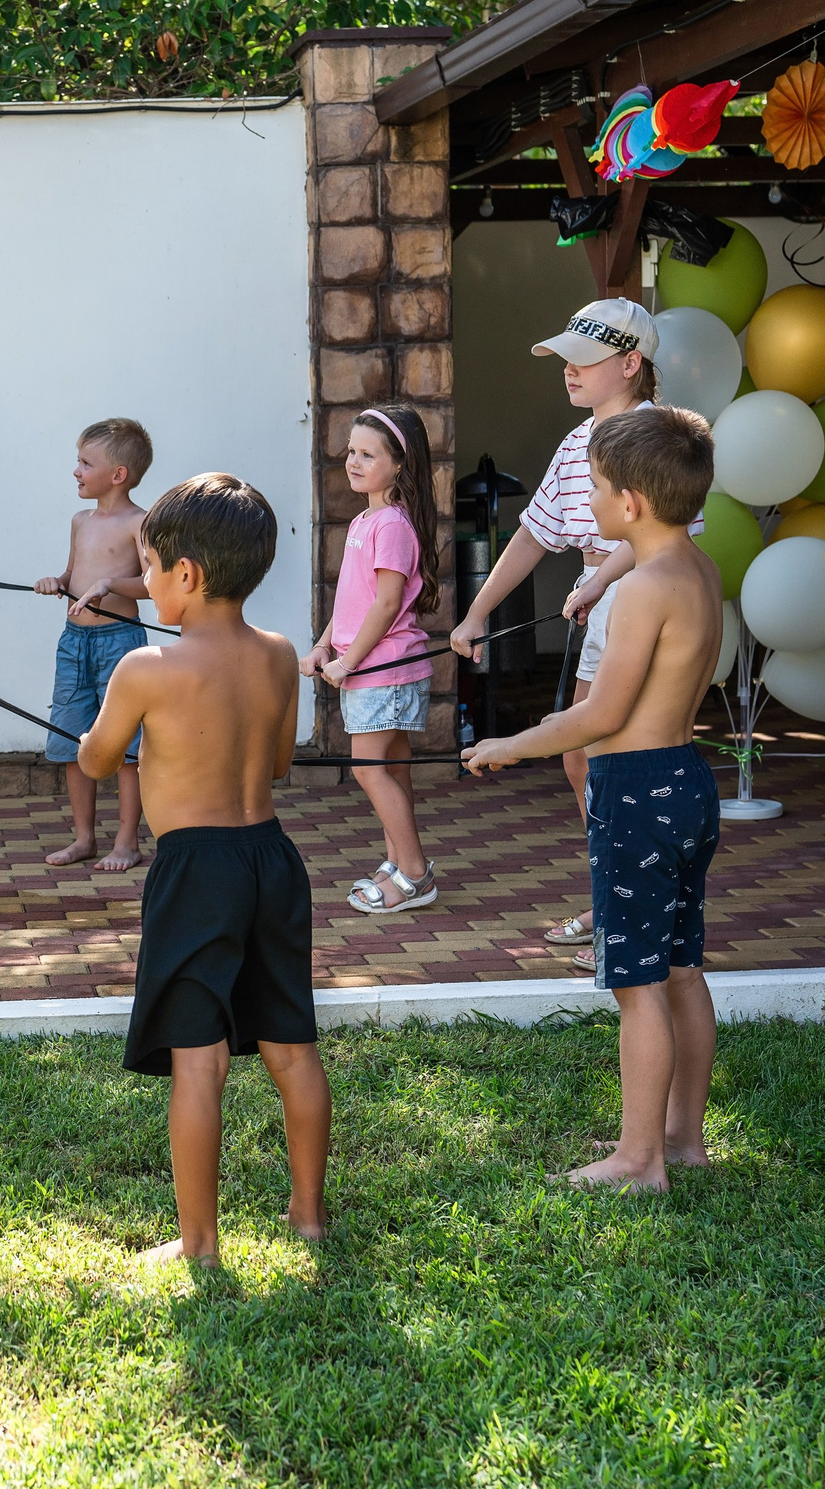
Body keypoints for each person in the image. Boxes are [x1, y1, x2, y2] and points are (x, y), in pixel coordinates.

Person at [463, 407, 723, 1193]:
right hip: (686, 781)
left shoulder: (643, 590)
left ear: (631, 504)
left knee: (636, 986)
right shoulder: (698, 570)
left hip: (636, 790)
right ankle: (682, 1140)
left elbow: (603, 714)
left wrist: (512, 744)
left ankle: (639, 1161)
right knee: (682, 970)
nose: (594, 501)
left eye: (600, 489)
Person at [79, 473, 329, 1265]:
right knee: (292, 1046)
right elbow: (279, 763)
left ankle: (198, 1244)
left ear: (185, 574)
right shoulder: (281, 655)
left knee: (199, 1058)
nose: (146, 582)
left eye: (149, 567)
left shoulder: (146, 668)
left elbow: (95, 761)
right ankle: (308, 1217)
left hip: (196, 870)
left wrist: (100, 740)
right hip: (272, 858)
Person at [452, 297, 695, 962]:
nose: (568, 370)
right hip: (604, 602)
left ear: (630, 363)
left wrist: (597, 582)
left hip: (639, 601)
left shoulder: (659, 437)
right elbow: (535, 533)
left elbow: (662, 536)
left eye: (584, 359)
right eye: (565, 358)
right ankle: (617, 896)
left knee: (618, 758)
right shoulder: (573, 442)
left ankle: (631, 909)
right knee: (584, 757)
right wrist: (476, 612)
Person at [303, 406, 442, 914]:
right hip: (375, 668)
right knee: (392, 768)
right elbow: (351, 601)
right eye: (351, 452)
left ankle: (414, 874)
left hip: (385, 670)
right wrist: (324, 646)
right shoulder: (365, 520)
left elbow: (386, 605)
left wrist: (348, 663)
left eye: (368, 454)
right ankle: (398, 861)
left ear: (400, 465)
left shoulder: (392, 525)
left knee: (368, 770)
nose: (354, 462)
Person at [34, 418, 156, 871]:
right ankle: (84, 838)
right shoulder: (80, 521)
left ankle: (126, 841)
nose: (76, 471)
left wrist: (110, 584)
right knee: (73, 738)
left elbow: (153, 585)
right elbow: (72, 575)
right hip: (74, 642)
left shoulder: (139, 522)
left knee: (126, 744)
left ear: (118, 474)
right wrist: (56, 582)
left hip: (119, 643)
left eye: (86, 463)